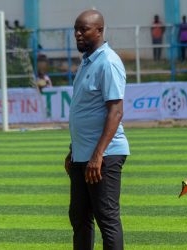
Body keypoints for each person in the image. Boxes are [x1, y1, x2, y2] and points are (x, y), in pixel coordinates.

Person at [65, 9, 130, 250]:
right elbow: (84, 110)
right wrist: (74, 150)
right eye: (76, 30)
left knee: (107, 218)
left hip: (104, 155)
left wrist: (97, 155)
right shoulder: (86, 62)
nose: (78, 34)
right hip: (83, 155)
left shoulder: (108, 62)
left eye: (83, 29)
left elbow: (115, 111)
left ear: (100, 30)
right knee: (79, 217)